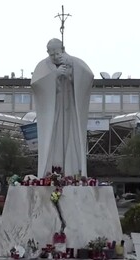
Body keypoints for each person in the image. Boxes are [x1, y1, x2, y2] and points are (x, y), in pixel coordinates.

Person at [31, 38, 94, 178]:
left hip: (70, 110)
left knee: (71, 137)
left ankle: (73, 173)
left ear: (63, 49)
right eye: (51, 54)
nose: (54, 57)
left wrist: (71, 71)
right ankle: (53, 173)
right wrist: (55, 76)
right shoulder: (43, 65)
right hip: (53, 112)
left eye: (57, 53)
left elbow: (88, 76)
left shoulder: (73, 62)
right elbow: (36, 84)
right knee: (55, 139)